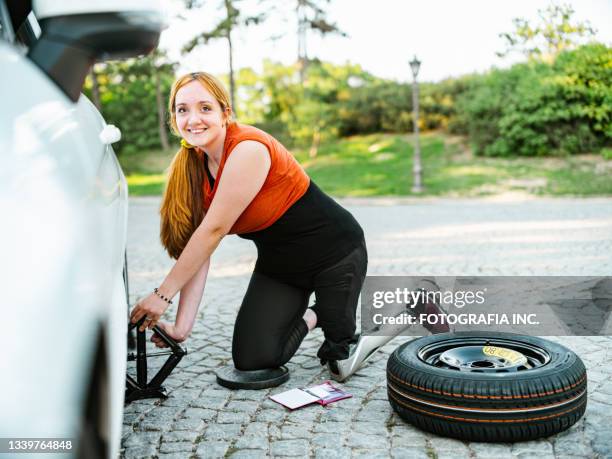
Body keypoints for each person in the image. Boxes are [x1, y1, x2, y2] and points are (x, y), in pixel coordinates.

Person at [129, 71, 371, 381]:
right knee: (252, 360)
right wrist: (181, 327)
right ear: (174, 119)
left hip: (335, 256)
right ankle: (317, 312)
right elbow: (199, 248)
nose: (193, 119)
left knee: (339, 364)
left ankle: (345, 319)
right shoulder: (194, 168)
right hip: (281, 268)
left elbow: (213, 231)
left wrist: (162, 297)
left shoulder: (248, 149)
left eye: (205, 108)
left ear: (225, 113)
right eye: (182, 110)